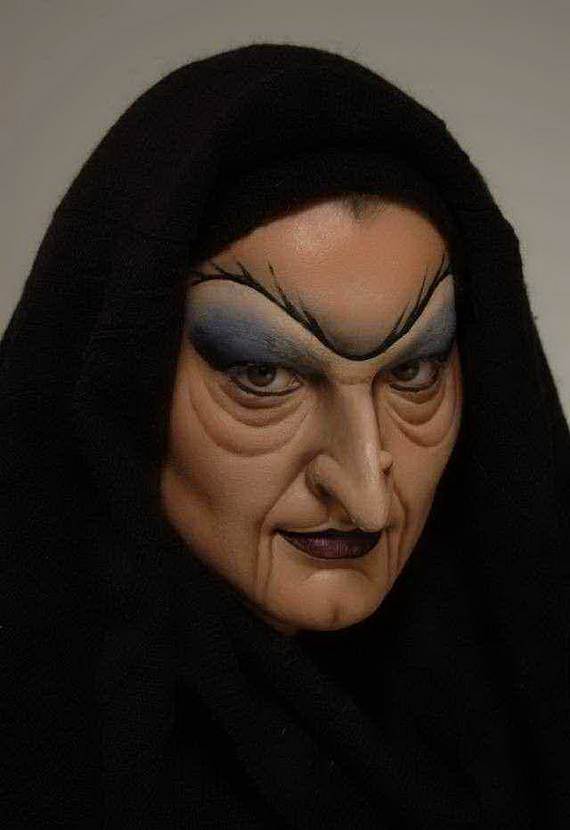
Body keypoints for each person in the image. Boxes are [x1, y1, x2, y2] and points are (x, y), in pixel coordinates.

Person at [2, 42, 569, 829]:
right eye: (263, 375)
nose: (367, 497)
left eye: (414, 372)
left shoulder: (531, 723)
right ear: (125, 380)